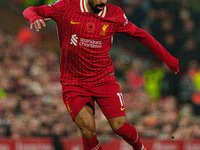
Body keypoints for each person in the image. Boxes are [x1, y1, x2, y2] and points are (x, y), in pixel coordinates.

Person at [22, 0, 179, 149]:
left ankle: (140, 148)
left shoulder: (115, 14)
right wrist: (34, 17)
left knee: (120, 127)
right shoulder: (67, 6)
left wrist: (169, 59)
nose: (102, 2)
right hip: (74, 82)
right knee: (87, 128)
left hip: (104, 80)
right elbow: (30, 10)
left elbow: (141, 35)